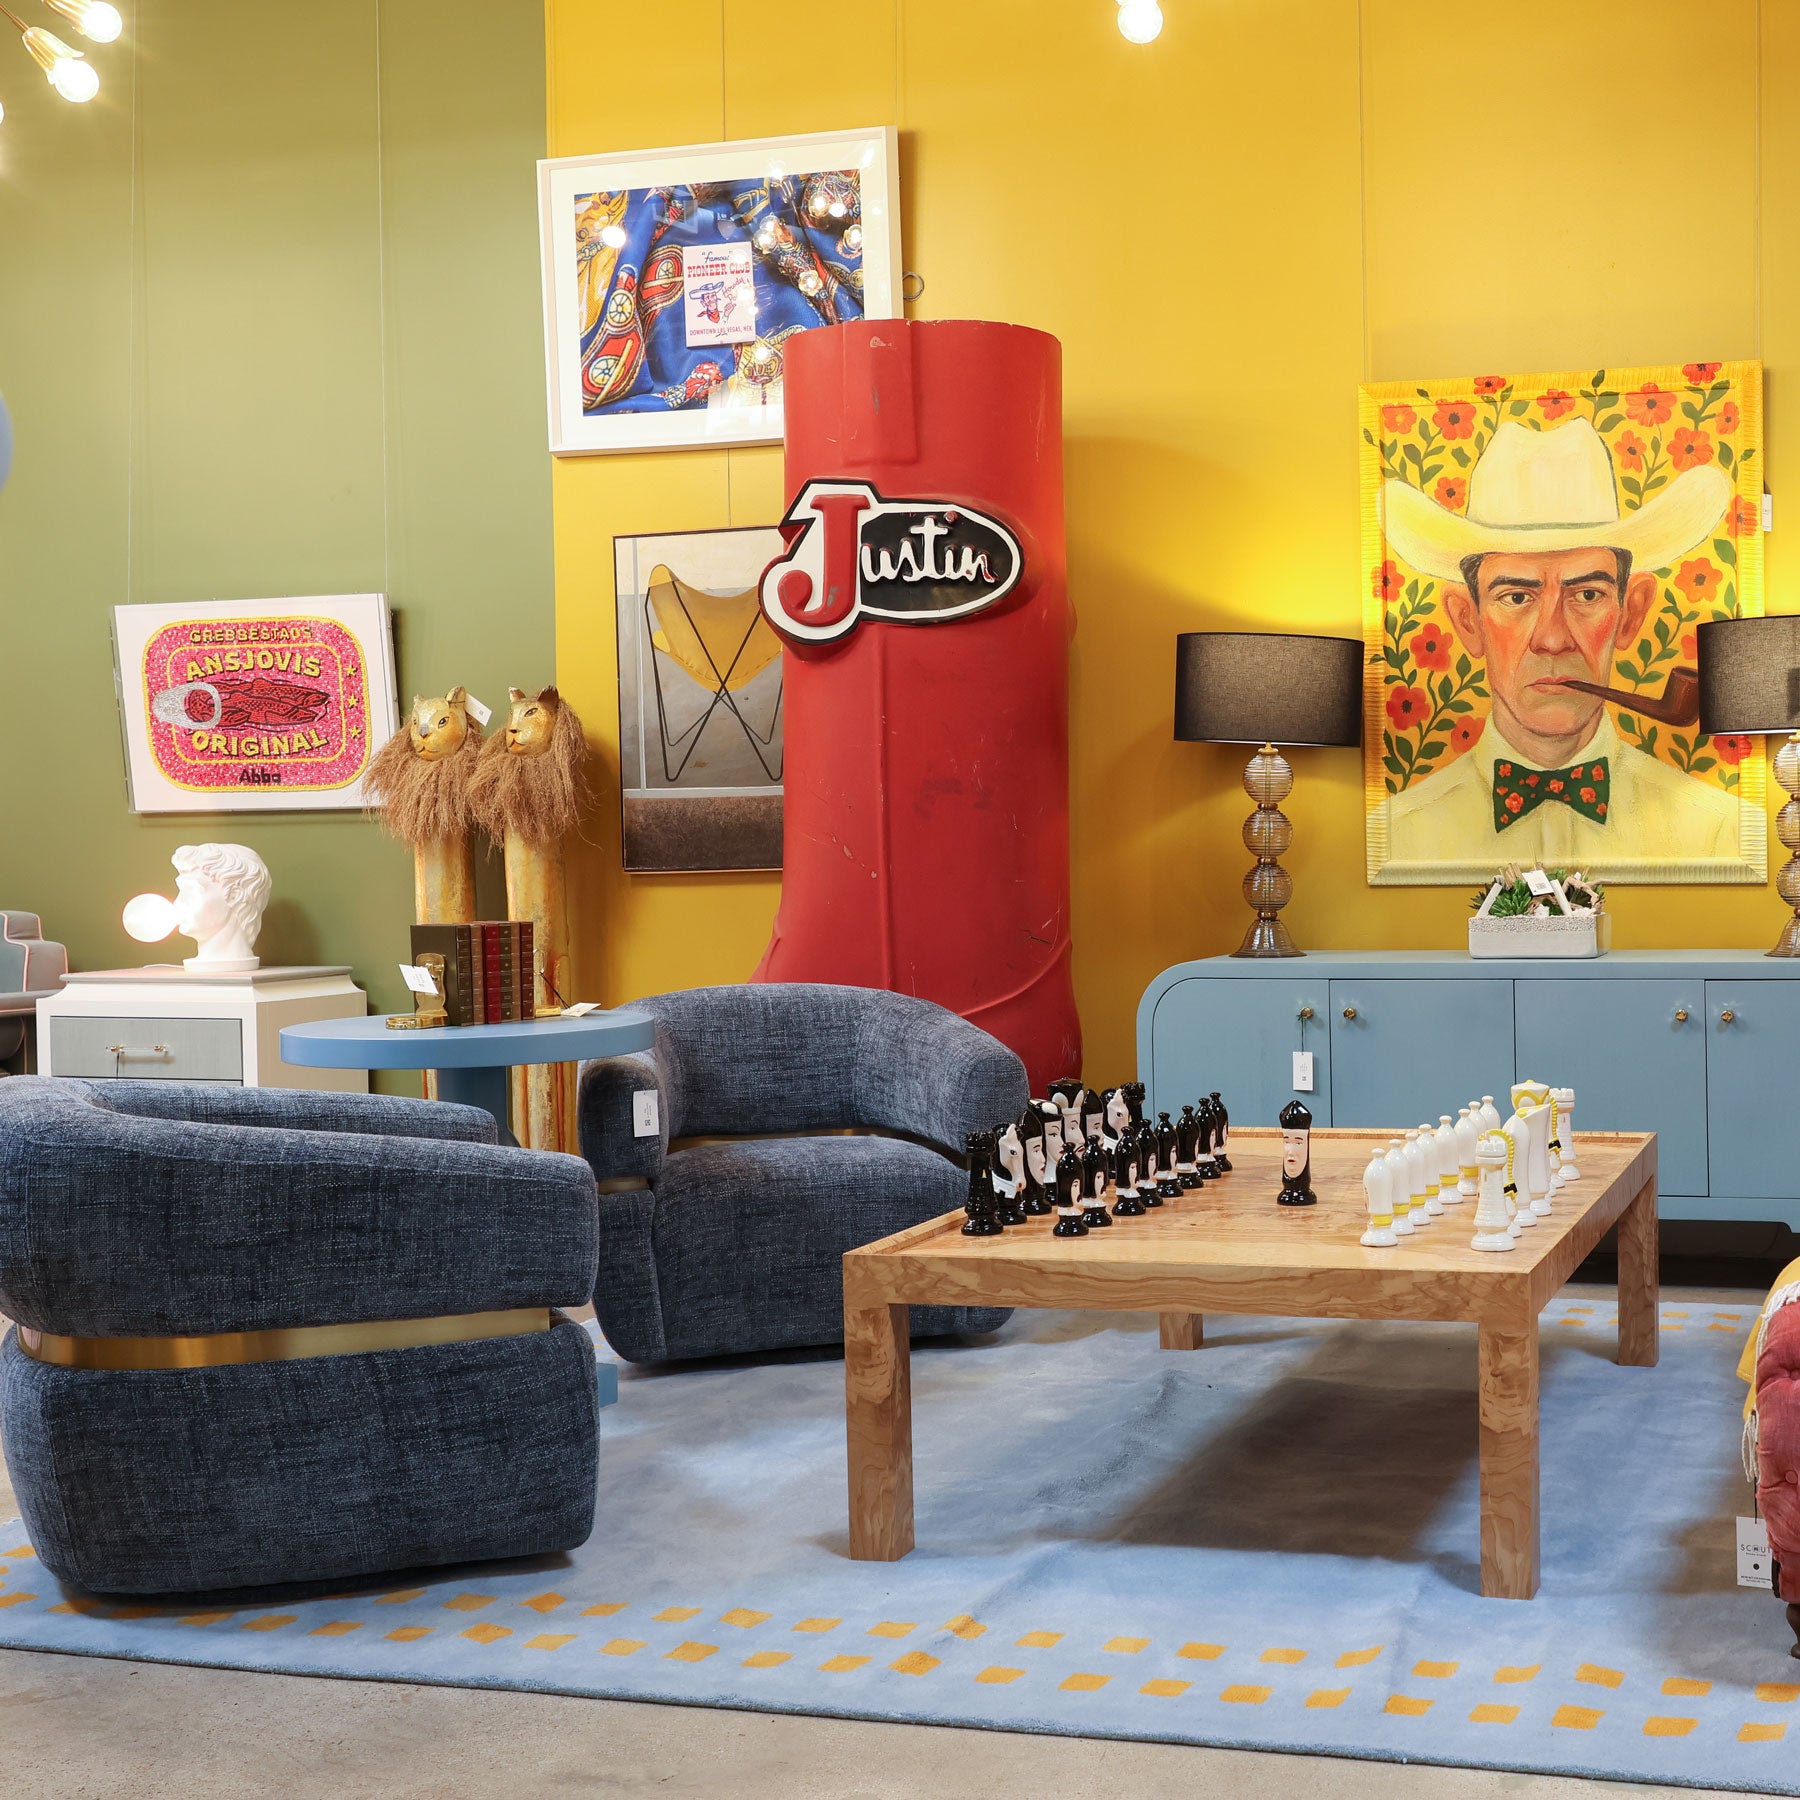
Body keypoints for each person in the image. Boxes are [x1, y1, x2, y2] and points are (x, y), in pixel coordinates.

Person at [1375, 417, 1739, 867]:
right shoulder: (1399, 836)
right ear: (1468, 621)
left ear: (1630, 613)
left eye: (1587, 595)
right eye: (1516, 597)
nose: (1552, 639)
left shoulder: (1719, 832)